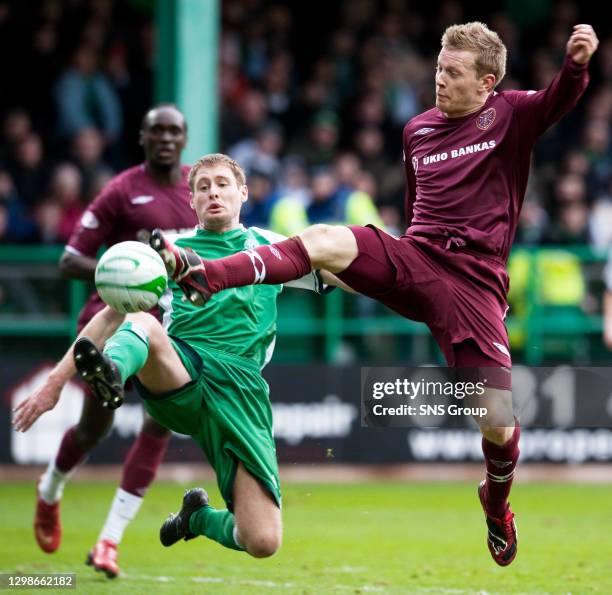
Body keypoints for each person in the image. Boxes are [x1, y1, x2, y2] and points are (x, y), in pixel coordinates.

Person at [149, 23, 599, 567]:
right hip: (418, 259)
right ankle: (208, 274)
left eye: (452, 73)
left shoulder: (510, 115)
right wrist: (396, 258)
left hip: (474, 286)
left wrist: (575, 63)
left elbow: (561, 99)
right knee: (324, 239)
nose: (438, 80)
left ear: (485, 83)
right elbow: (416, 210)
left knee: (497, 422)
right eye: (437, 67)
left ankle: (496, 503)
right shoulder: (417, 131)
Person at [13, 153, 342, 561]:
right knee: (142, 321)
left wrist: (408, 280)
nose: (213, 193)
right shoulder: (171, 249)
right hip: (182, 371)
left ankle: (197, 518)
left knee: (262, 541)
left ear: (243, 192)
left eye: (222, 184)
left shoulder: (271, 246)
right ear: (191, 200)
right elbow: (108, 315)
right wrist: (54, 384)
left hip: (242, 391)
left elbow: (342, 273)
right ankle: (114, 372)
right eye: (203, 187)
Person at [28, 104, 198, 578]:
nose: (166, 138)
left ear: (184, 139)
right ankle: (50, 490)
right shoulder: (122, 191)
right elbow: (69, 260)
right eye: (156, 131)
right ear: (142, 137)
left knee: (159, 423)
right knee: (93, 431)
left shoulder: (195, 190)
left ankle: (108, 542)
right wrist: (124, 266)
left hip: (168, 324)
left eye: (174, 131)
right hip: (112, 320)